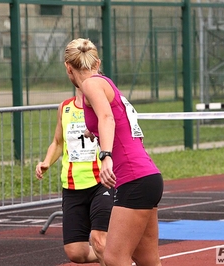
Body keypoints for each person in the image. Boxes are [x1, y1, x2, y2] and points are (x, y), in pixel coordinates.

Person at [64, 38, 164, 266]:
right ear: (97, 62)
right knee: (147, 259)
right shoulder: (106, 84)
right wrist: (94, 133)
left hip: (134, 178)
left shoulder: (90, 84)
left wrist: (105, 156)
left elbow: (107, 118)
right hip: (148, 177)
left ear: (68, 68)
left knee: (113, 257)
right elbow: (116, 122)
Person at [35, 87, 113, 265]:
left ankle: (113, 255)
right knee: (76, 253)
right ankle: (117, 255)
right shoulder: (64, 108)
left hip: (101, 182)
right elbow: (57, 142)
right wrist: (47, 161)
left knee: (99, 241)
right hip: (72, 186)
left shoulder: (102, 108)